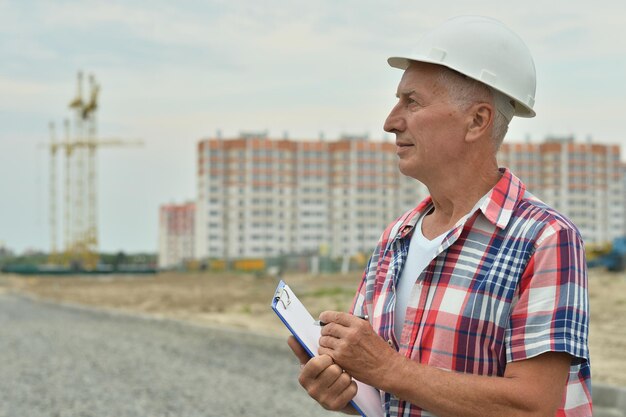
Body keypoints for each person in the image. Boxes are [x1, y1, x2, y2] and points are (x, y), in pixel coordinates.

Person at [288, 15, 591, 417]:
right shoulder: (395, 238)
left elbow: (532, 405)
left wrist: (388, 368)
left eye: (411, 101)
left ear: (477, 120)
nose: (390, 121)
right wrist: (345, 391)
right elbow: (385, 391)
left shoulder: (545, 238)